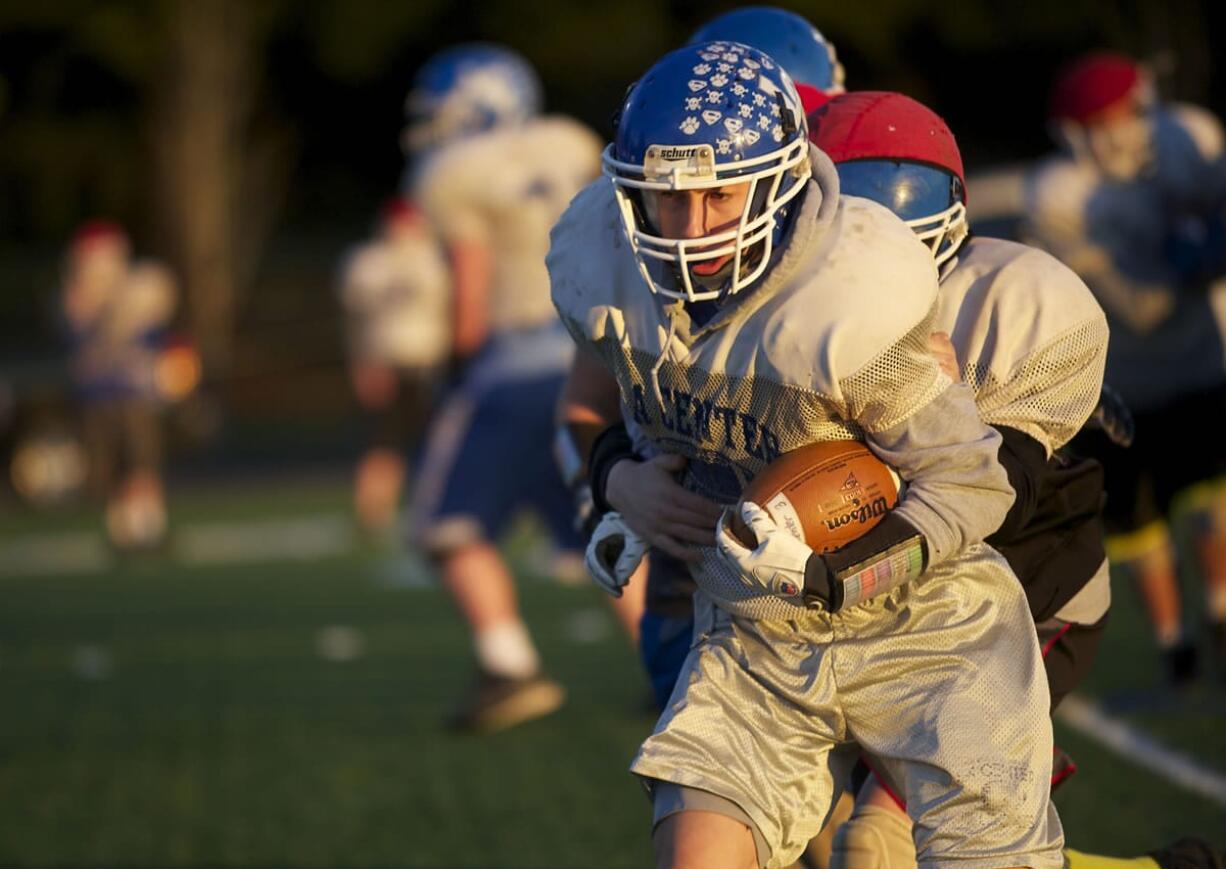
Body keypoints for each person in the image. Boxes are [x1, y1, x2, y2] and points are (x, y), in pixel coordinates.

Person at [550, 41, 1063, 869]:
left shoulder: (845, 300)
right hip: (757, 626)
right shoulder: (609, 270)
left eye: (719, 194)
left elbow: (969, 482)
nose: (690, 229)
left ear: (781, 182)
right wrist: (621, 480)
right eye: (664, 199)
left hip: (927, 622)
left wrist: (840, 572)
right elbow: (636, 416)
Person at [404, 44, 642, 733]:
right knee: (606, 524)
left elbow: (471, 280)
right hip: (597, 353)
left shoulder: (452, 173)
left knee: (444, 524)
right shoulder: (569, 138)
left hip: (512, 364)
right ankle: (668, 669)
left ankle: (507, 664)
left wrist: (456, 362)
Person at [1024, 52, 1226, 685]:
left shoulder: (1187, 140)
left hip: (1197, 363)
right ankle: (1176, 649)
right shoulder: (1060, 194)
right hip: (1123, 382)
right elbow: (1137, 304)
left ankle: (1219, 613)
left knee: (1209, 499)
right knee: (1140, 525)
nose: (1122, 130)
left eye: (1126, 114)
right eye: (1103, 120)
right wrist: (1188, 264)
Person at [338, 197, 450, 537]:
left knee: (440, 440)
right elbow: (354, 321)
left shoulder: (435, 258)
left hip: (432, 360)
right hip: (386, 360)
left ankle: (439, 505)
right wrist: (362, 362)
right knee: (383, 442)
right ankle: (373, 515)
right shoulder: (367, 263)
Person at [61, 220, 177, 551]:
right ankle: (121, 527)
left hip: (133, 391)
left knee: (141, 459)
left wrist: (125, 316)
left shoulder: (138, 288)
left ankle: (147, 524)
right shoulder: (77, 300)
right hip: (97, 395)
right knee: (106, 467)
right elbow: (78, 337)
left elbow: (151, 334)